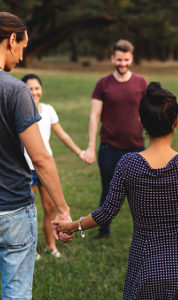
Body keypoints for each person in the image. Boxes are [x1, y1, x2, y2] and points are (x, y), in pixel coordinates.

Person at [54, 82, 178, 300]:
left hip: (144, 266)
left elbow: (107, 212)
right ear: (176, 121)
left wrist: (71, 226)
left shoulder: (128, 164)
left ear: (141, 122)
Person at [0, 12, 72, 299]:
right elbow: (40, 158)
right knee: (16, 293)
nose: (20, 57)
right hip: (14, 209)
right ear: (12, 39)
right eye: (22, 48)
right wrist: (62, 209)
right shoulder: (16, 91)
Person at [81, 39, 147, 239]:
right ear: (112, 58)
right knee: (108, 190)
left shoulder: (141, 82)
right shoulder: (103, 83)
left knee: (141, 193)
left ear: (131, 59)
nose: (123, 63)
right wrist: (91, 147)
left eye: (126, 60)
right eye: (119, 60)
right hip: (109, 147)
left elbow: (147, 114)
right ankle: (103, 230)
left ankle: (145, 231)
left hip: (136, 147)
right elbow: (94, 115)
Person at [21, 73, 83, 259]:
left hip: (46, 169)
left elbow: (62, 135)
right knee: (28, 212)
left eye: (36, 88)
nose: (34, 92)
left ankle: (50, 244)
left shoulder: (48, 110)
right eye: (29, 89)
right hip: (26, 168)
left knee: (50, 209)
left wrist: (79, 152)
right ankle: (31, 249)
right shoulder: (19, 111)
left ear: (42, 89)